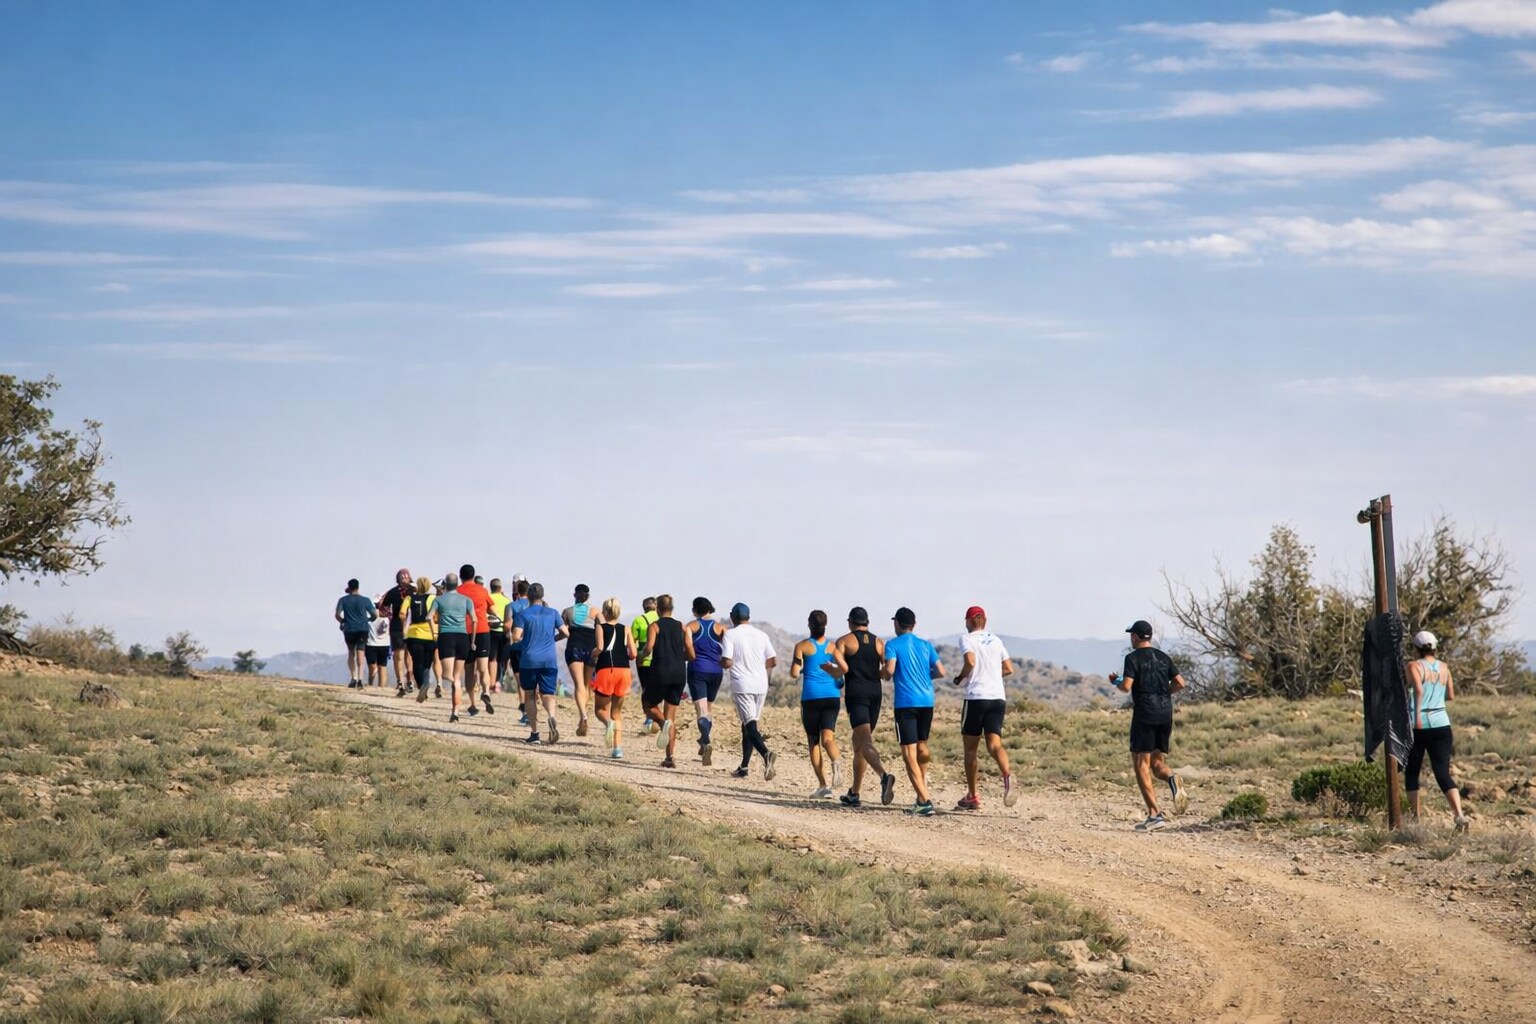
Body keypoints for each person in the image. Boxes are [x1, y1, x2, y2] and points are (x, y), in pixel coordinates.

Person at [1108, 620, 1189, 832]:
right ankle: (1172, 778)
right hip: (1165, 713)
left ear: (1135, 637)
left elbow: (1126, 687)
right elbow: (1181, 683)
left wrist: (1116, 681)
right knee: (1157, 763)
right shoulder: (1164, 657)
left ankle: (1154, 815)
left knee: (1140, 764)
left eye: (1131, 636)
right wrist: (1163, 693)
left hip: (1144, 713)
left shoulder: (1132, 658)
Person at [825, 607, 897, 807]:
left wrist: (830, 670)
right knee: (859, 743)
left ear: (850, 622)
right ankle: (854, 793)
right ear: (867, 622)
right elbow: (886, 669)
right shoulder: (879, 642)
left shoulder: (843, 641)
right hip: (876, 694)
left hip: (857, 695)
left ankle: (884, 776)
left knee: (864, 741)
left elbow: (842, 670)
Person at [953, 606, 1017, 810]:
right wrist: (991, 676)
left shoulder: (967, 639)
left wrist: (961, 677)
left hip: (976, 698)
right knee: (995, 744)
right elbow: (1009, 668)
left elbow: (970, 661)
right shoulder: (996, 640)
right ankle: (1007, 775)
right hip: (998, 698)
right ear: (984, 620)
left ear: (970, 621)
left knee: (970, 749)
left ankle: (972, 795)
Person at [1406, 630, 1470, 832]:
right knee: (1442, 772)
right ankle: (1459, 816)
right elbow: (1450, 695)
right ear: (1434, 647)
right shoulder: (1444, 668)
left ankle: (1415, 817)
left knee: (1412, 771)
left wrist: (1416, 718)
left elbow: (1418, 690)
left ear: (1416, 648)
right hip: (1442, 723)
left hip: (1420, 723)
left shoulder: (1413, 666)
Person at [883, 607, 945, 816]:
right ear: (914, 624)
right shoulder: (926, 645)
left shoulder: (892, 645)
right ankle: (921, 796)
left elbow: (889, 671)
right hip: (926, 700)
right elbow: (941, 671)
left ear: (897, 624)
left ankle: (925, 801)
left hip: (906, 702)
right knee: (921, 747)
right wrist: (926, 678)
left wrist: (881, 672)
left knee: (908, 754)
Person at [720, 602, 778, 781]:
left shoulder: (730, 634)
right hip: (761, 685)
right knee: (748, 725)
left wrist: (721, 662)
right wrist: (758, 667)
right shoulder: (761, 634)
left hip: (742, 684)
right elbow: (773, 660)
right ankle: (744, 766)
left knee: (750, 726)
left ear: (733, 617)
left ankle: (766, 754)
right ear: (748, 617)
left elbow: (728, 661)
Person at [791, 610, 843, 799]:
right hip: (832, 697)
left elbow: (794, 673)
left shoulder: (801, 646)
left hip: (811, 697)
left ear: (809, 624)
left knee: (813, 741)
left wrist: (803, 667)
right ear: (825, 625)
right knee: (828, 738)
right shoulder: (833, 647)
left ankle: (823, 786)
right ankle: (836, 760)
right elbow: (841, 670)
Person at [511, 582, 568, 744]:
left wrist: (524, 641)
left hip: (529, 659)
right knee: (548, 694)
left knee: (530, 695)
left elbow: (516, 636)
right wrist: (553, 639)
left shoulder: (523, 614)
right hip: (549, 659)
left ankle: (535, 733)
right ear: (542, 596)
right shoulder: (553, 613)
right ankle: (551, 716)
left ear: (528, 596)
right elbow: (566, 632)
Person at [641, 594, 694, 769]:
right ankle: (670, 757)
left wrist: (642, 656)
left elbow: (648, 648)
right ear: (672, 609)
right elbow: (691, 655)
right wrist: (679, 657)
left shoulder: (654, 626)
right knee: (671, 715)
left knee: (648, 704)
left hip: (660, 671)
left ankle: (663, 724)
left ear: (657, 608)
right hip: (679, 673)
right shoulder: (682, 626)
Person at [590, 597, 636, 760]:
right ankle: (617, 749)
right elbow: (634, 653)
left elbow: (600, 648)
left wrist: (593, 653)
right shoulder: (627, 629)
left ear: (605, 612)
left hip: (606, 670)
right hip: (624, 671)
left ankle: (608, 724)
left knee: (600, 709)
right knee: (617, 712)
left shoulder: (600, 627)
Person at [684, 597, 727, 766]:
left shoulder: (692, 626)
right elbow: (728, 649)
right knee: (708, 708)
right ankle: (704, 741)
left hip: (698, 670)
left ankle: (706, 740)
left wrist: (689, 656)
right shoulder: (721, 628)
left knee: (701, 710)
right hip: (716, 671)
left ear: (695, 610)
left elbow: (687, 645)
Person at [431, 573, 477, 723]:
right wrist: (473, 641)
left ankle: (456, 697)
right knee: (456, 676)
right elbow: (474, 620)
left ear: (445, 585)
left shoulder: (439, 599)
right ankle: (455, 711)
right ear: (457, 584)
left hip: (446, 636)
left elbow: (428, 616)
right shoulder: (466, 600)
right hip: (463, 637)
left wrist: (433, 633)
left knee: (446, 675)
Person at [456, 565, 494, 715]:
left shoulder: (457, 592)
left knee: (469, 669)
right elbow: (492, 609)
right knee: (483, 668)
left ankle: (472, 704)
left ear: (461, 576)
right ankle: (486, 692)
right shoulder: (482, 590)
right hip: (483, 630)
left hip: (464, 631)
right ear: (473, 576)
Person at [562, 584, 597, 737]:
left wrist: (551, 639)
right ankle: (585, 713)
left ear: (575, 595)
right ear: (588, 596)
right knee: (586, 684)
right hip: (591, 649)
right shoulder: (596, 612)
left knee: (578, 685)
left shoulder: (567, 612)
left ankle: (582, 715)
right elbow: (602, 629)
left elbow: (563, 633)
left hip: (574, 647)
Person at [376, 568, 414, 695]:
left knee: (402, 656)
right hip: (406, 626)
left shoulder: (395, 592)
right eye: (403, 577)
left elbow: (382, 606)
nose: (404, 579)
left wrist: (388, 614)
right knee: (405, 655)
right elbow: (382, 605)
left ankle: (404, 680)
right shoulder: (412, 591)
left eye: (405, 577)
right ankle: (404, 680)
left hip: (402, 625)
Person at [334, 579, 376, 689]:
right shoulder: (365, 600)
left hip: (349, 629)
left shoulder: (343, 600)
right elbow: (374, 614)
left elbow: (337, 615)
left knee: (351, 652)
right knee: (361, 653)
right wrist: (369, 619)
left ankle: (353, 677)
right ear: (358, 587)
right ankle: (360, 680)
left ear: (349, 587)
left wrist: (343, 621)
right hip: (362, 628)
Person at [404, 576, 438, 702]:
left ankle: (421, 685)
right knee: (427, 664)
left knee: (417, 662)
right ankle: (425, 683)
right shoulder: (433, 598)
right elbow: (437, 616)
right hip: (430, 635)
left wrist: (405, 624)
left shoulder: (409, 598)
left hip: (414, 635)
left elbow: (402, 613)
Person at [631, 597, 660, 733]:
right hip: (661, 659)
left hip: (645, 660)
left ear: (644, 607)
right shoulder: (662, 619)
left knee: (646, 689)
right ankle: (659, 716)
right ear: (656, 606)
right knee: (659, 689)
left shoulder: (639, 620)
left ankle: (649, 718)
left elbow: (632, 640)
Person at [487, 578, 513, 695]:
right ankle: (498, 681)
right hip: (504, 631)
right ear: (500, 588)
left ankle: (492, 683)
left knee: (492, 658)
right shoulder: (507, 600)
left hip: (491, 630)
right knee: (502, 660)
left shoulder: (488, 597)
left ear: (491, 587)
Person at [364, 596, 392, 688]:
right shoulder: (389, 617)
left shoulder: (369, 616)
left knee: (373, 667)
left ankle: (371, 684)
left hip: (371, 644)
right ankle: (381, 688)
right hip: (384, 644)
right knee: (382, 667)